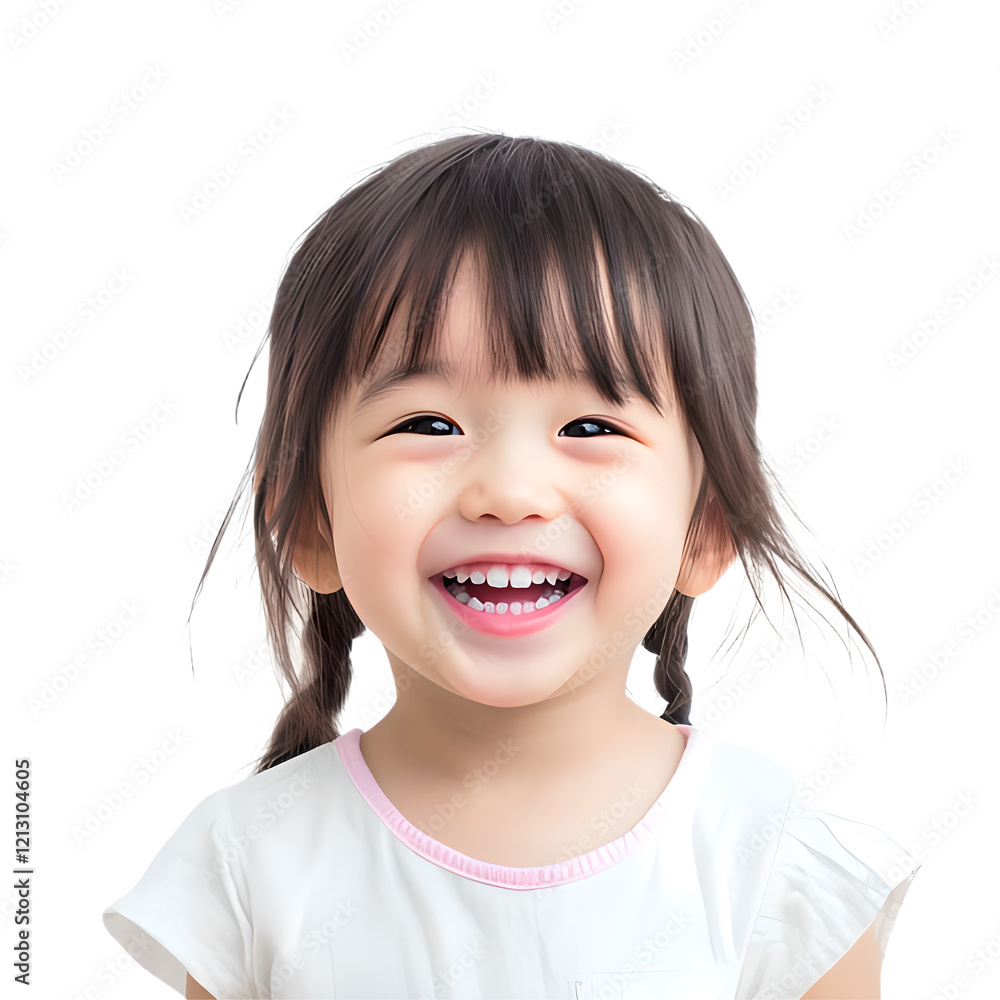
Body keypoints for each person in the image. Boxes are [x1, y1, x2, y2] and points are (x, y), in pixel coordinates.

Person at [103, 132, 921, 999]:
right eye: (428, 425)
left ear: (705, 529)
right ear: (308, 519)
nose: (510, 491)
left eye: (591, 427)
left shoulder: (775, 870)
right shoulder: (248, 865)